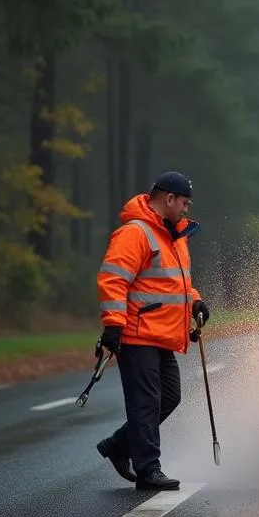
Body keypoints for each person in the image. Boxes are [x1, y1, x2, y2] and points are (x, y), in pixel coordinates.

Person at [95, 171, 210, 490]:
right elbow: (112, 279)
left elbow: (178, 282)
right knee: (145, 403)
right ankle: (149, 470)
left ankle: (119, 445)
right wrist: (113, 326)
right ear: (169, 199)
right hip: (137, 332)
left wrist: (195, 303)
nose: (187, 209)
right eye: (184, 203)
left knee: (169, 396)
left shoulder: (173, 235)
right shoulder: (136, 233)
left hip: (163, 334)